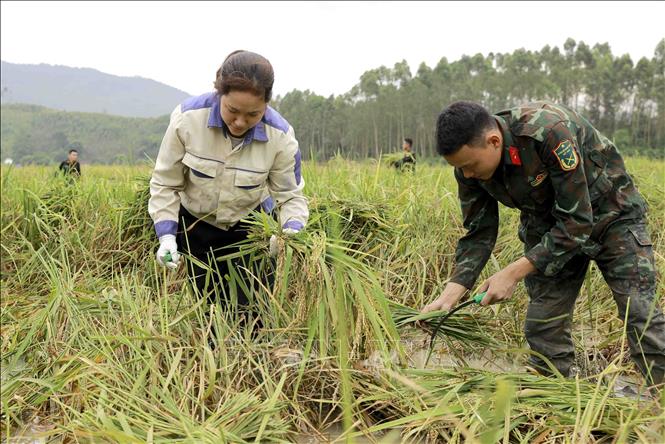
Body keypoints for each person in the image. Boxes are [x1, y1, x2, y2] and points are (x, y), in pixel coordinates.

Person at [421, 100, 665, 386]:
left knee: (640, 314)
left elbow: (578, 221)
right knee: (543, 325)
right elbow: (478, 232)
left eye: (471, 165)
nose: (468, 175)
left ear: (494, 141)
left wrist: (511, 273)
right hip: (549, 228)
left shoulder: (547, 131)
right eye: (461, 169)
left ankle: (659, 404)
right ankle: (558, 400)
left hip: (611, 217)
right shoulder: (468, 169)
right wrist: (451, 294)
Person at [149, 50, 308, 320]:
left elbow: (290, 197)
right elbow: (165, 183)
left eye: (253, 114)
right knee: (207, 311)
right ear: (218, 93)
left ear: (267, 104)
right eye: (232, 111)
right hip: (197, 226)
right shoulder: (187, 119)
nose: (240, 122)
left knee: (251, 314)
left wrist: (290, 232)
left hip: (250, 228)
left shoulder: (280, 137)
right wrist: (166, 236)